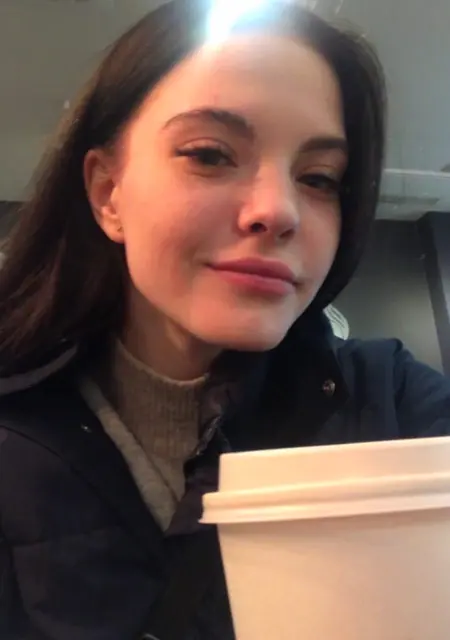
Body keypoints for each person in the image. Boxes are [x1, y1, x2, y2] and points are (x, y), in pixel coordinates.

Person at [0, 0, 449, 638]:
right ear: (108, 194)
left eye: (320, 178)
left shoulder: (393, 400)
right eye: (210, 155)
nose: (280, 210)